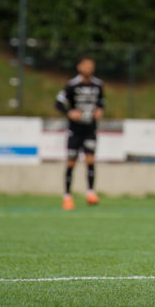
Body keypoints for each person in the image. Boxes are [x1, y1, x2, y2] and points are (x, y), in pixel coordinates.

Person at [55, 55, 104, 208]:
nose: (89, 69)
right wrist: (69, 112)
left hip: (90, 128)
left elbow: (102, 102)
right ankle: (67, 196)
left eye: (91, 66)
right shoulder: (72, 85)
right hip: (75, 130)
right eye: (86, 66)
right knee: (71, 161)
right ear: (79, 67)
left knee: (90, 160)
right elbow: (58, 102)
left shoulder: (98, 85)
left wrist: (99, 110)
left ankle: (90, 193)